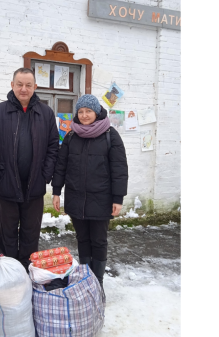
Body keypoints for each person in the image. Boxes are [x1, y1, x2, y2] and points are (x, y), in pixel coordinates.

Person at [0, 68, 60, 268]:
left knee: (30, 233)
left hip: (34, 186)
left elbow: (53, 146)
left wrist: (45, 175)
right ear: (12, 85)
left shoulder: (46, 113)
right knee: (7, 234)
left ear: (35, 87)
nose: (23, 89)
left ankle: (26, 273)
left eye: (28, 85)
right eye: (19, 84)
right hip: (7, 185)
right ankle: (9, 272)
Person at [51, 94, 128, 289]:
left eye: (89, 111)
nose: (84, 115)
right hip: (76, 197)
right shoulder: (71, 136)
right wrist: (57, 191)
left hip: (101, 198)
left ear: (97, 112)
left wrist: (118, 198)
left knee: (99, 241)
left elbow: (119, 169)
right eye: (81, 111)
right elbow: (61, 165)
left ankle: (98, 282)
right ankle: (86, 279)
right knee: (82, 238)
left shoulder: (110, 135)